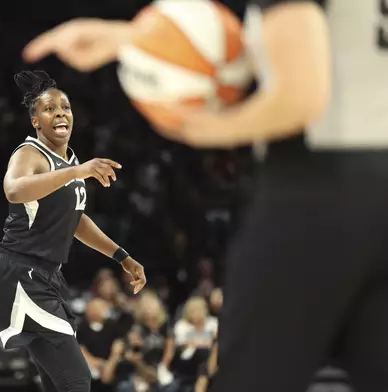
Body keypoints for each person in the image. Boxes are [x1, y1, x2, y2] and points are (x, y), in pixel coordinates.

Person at [23, 1, 388, 392]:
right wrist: (130, 38)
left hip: (320, 189)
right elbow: (325, 49)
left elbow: (300, 97)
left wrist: (198, 130)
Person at [0, 70, 148, 392]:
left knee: (57, 382)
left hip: (44, 276)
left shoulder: (69, 161)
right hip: (19, 273)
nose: (60, 112)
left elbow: (76, 220)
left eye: (65, 107)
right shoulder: (30, 153)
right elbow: (14, 191)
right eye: (49, 108)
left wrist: (123, 257)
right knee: (76, 380)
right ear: (35, 121)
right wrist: (79, 171)